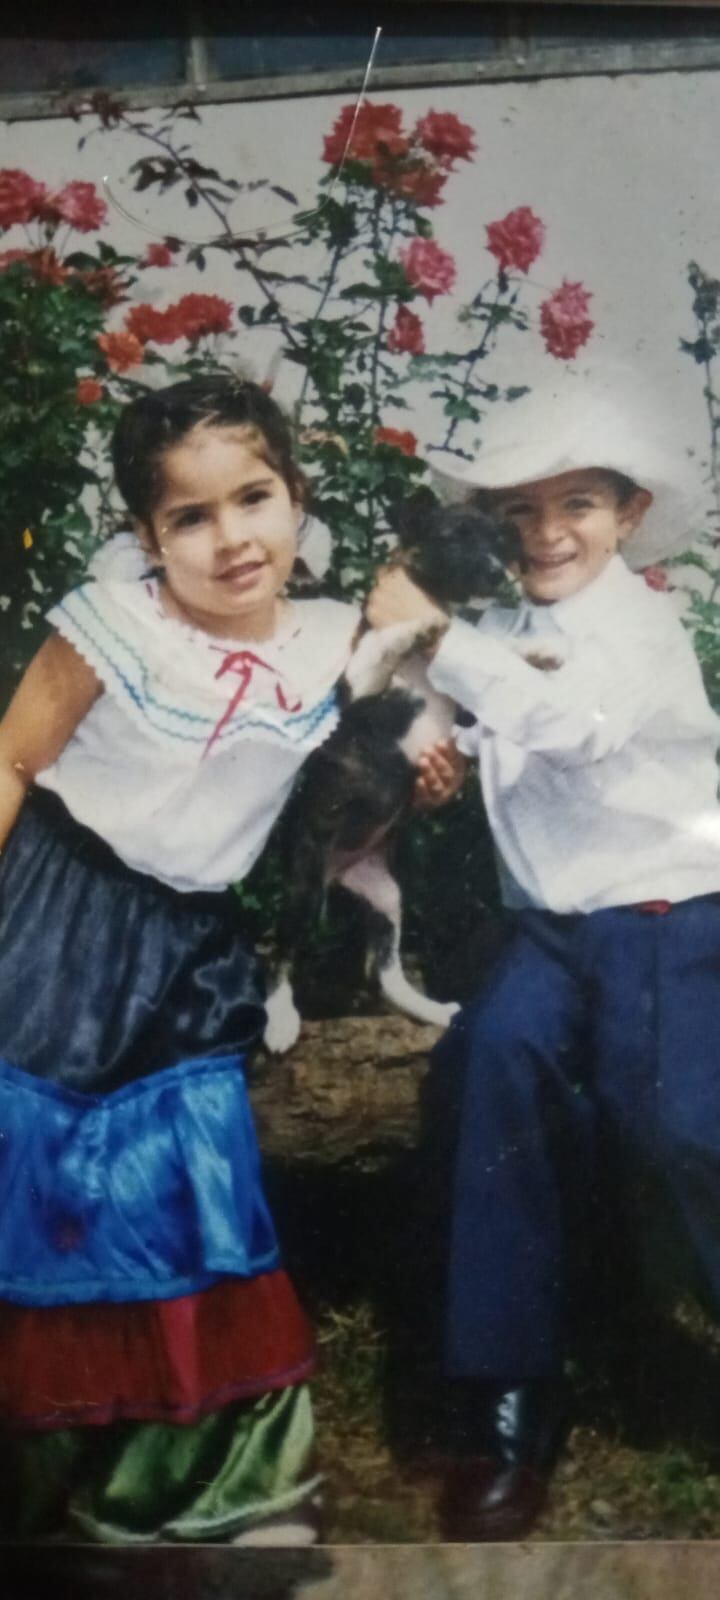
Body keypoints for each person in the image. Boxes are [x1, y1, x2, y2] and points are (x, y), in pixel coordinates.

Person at [0, 373, 459, 1546]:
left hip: (190, 942)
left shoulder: (332, 642)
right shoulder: (115, 625)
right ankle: (37, 1480)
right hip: (56, 912)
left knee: (187, 1174)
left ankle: (206, 1485)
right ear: (146, 539)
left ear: (297, 497)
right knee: (38, 1162)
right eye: (188, 518)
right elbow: (11, 761)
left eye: (254, 498)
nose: (231, 538)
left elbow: (408, 676)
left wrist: (426, 756)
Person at [367, 385, 720, 1540]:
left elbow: (576, 728)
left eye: (577, 504)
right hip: (552, 926)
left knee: (672, 1120)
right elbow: (451, 713)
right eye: (520, 512)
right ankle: (505, 1397)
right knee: (489, 1073)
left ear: (629, 513)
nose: (548, 531)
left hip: (669, 906)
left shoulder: (640, 624)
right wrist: (430, 748)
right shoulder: (504, 625)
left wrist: (434, 636)